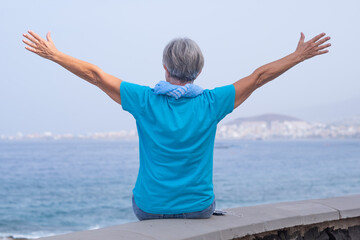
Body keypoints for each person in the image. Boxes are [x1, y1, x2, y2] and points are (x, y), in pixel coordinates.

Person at [22, 31, 331, 220]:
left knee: (139, 198)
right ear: (198, 70)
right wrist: (298, 56)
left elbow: (95, 74)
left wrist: (55, 55)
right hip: (199, 209)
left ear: (165, 68)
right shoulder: (212, 103)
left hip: (149, 209)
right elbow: (259, 76)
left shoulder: (144, 100)